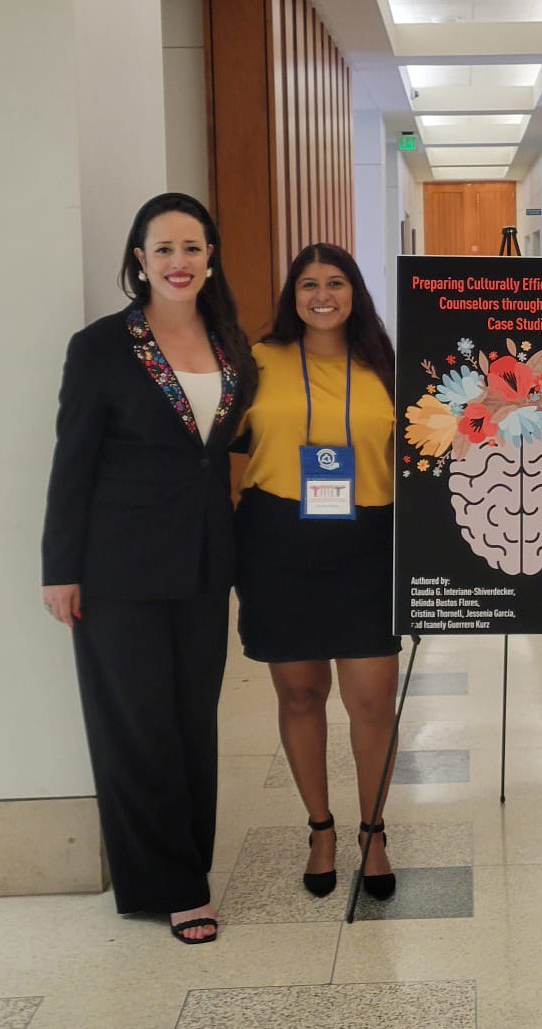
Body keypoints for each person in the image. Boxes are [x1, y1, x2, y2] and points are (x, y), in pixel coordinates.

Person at [41, 192, 257, 944]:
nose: (178, 262)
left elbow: (233, 443)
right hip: (116, 567)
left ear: (210, 257)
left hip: (203, 560)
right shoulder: (102, 345)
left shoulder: (232, 344)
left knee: (193, 721)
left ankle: (184, 863)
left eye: (192, 248)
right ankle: (175, 886)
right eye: (162, 248)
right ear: (139, 257)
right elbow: (74, 461)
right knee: (138, 726)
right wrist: (60, 567)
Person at [234, 243, 400, 900]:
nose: (322, 295)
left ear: (355, 291)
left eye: (336, 282)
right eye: (309, 284)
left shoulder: (386, 365)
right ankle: (321, 828)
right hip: (278, 542)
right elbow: (215, 440)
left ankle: (375, 832)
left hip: (369, 543)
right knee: (300, 696)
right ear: (292, 295)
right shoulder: (257, 360)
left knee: (371, 704)